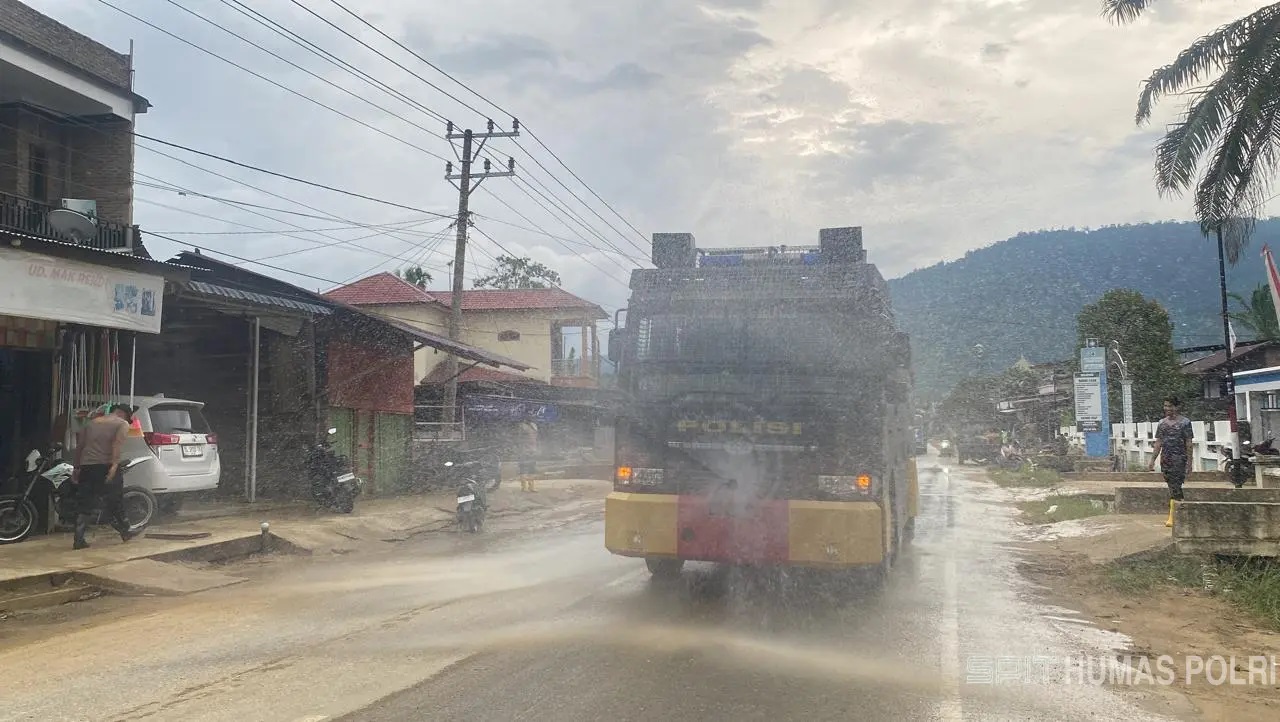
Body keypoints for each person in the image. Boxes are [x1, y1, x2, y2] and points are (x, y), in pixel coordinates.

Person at [71, 403, 138, 549]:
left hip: (87, 466)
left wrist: (76, 468)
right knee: (115, 499)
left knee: (85, 502)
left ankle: (78, 538)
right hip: (106, 465)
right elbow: (117, 444)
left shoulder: (90, 423)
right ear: (124, 414)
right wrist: (114, 466)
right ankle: (126, 531)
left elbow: (80, 446)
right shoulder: (122, 424)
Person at [1148, 396, 1194, 528]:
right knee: (1171, 485)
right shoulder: (1162, 423)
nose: (1167, 409)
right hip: (1166, 459)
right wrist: (1152, 460)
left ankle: (1173, 516)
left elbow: (1189, 443)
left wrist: (1189, 463)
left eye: (1170, 406)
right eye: (1165, 406)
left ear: (1176, 407)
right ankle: (1180, 511)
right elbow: (1158, 442)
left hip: (1179, 458)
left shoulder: (1185, 423)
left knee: (1175, 485)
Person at [518, 418, 539, 492]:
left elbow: (519, 438)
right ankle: (528, 487)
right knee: (529, 468)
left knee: (528, 468)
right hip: (529, 450)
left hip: (527, 450)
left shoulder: (523, 426)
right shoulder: (533, 426)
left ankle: (526, 487)